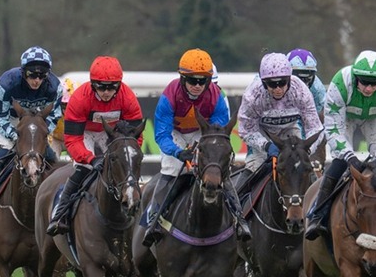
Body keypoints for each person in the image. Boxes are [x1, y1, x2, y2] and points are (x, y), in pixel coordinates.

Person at [304, 49, 376, 243]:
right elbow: (333, 128)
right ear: (355, 78)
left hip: (373, 119)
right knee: (339, 163)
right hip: (345, 119)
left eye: (374, 83)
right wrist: (349, 156)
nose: (369, 88)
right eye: (364, 82)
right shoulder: (339, 84)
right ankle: (317, 216)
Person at [143, 49, 245, 247]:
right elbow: (162, 134)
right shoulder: (169, 95)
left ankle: (239, 219)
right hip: (175, 133)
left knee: (217, 170)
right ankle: (152, 220)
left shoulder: (216, 97)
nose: (197, 86)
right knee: (171, 169)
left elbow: (218, 134)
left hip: (202, 131)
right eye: (192, 81)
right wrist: (178, 152)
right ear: (182, 78)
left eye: (202, 81)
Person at [45, 56, 144, 236]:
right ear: (92, 84)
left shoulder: (128, 97)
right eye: (101, 87)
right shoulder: (79, 98)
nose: (106, 92)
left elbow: (135, 137)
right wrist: (90, 159)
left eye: (111, 87)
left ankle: (142, 217)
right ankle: (59, 215)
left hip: (111, 134)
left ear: (119, 85)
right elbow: (72, 140)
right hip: (84, 133)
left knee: (125, 167)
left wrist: (126, 156)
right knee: (83, 169)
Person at [0, 46, 64, 214]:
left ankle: (59, 198)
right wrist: (16, 136)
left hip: (36, 123)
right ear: (23, 72)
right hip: (8, 119)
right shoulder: (7, 83)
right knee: (2, 155)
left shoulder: (55, 86)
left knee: (51, 157)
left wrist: (40, 134)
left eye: (42, 76)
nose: (37, 80)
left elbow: (54, 115)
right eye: (32, 75)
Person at [237, 52, 323, 180]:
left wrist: (305, 148)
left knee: (308, 173)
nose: (278, 89)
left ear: (289, 79)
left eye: (282, 82)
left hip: (290, 130)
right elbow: (246, 130)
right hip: (262, 133)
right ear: (263, 82)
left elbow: (315, 128)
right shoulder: (252, 96)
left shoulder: (301, 91)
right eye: (272, 84)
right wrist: (266, 146)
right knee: (253, 169)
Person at [287, 48, 327, 162]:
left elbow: (314, 121)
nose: (302, 84)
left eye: (307, 78)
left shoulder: (318, 90)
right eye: (299, 78)